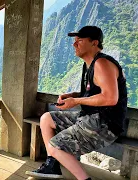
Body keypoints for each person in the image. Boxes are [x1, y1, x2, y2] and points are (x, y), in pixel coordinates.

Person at [26, 26, 128, 180]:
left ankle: (84, 179)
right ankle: (52, 165)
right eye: (74, 41)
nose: (74, 44)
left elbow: (110, 98)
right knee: (46, 119)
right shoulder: (88, 65)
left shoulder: (102, 63)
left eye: (79, 40)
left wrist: (75, 101)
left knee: (54, 145)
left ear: (94, 43)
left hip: (105, 124)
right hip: (89, 117)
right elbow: (95, 93)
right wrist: (73, 95)